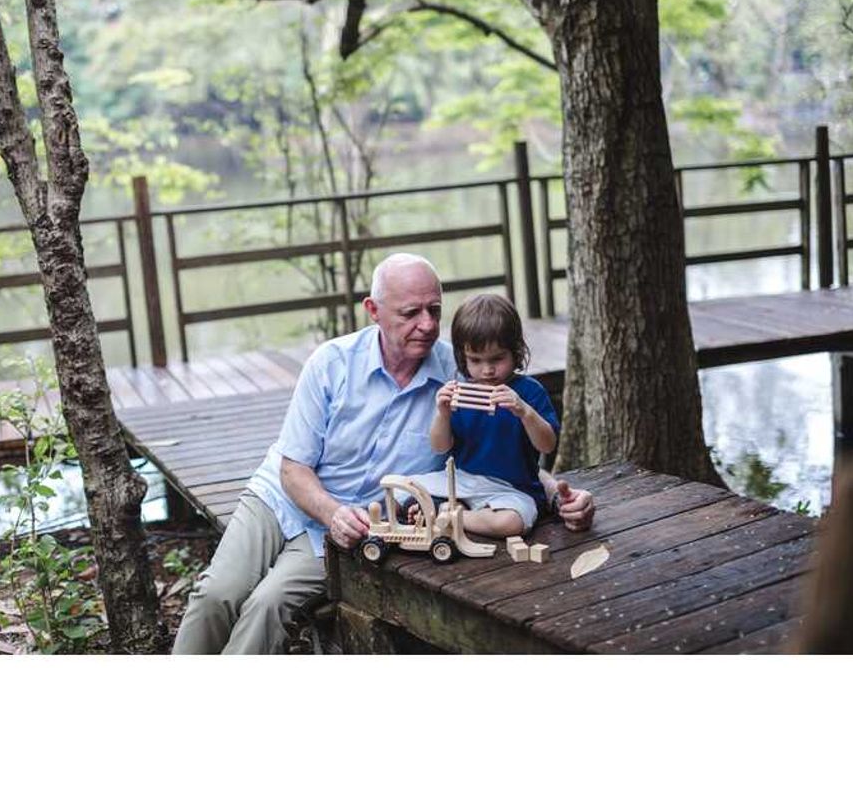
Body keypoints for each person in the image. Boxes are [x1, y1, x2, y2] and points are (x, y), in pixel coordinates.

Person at [172, 254, 595, 655]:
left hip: (355, 526)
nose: (427, 325)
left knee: (268, 604)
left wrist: (560, 496)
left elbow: (495, 458)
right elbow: (292, 468)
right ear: (373, 310)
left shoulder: (459, 375)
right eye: (410, 313)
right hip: (282, 498)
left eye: (434, 309)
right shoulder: (331, 364)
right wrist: (330, 511)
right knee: (215, 594)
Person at [405, 292, 572, 540]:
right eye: (475, 360)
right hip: (463, 482)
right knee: (410, 495)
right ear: (463, 357)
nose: (487, 370)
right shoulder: (460, 392)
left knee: (511, 524)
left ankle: (452, 517)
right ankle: (451, 511)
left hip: (514, 488)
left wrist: (524, 411)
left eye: (497, 359)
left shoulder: (528, 391)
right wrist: (442, 413)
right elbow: (440, 447)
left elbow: (547, 445)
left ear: (515, 351)